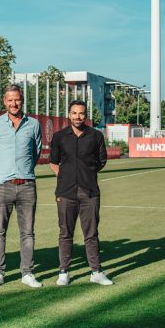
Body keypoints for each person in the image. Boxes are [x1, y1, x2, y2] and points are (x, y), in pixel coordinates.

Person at [49, 100, 113, 286]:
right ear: (69, 114)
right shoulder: (60, 137)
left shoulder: (95, 136)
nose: (78, 116)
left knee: (91, 234)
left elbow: (102, 161)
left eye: (81, 113)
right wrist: (64, 176)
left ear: (86, 115)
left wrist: (87, 174)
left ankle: (96, 271)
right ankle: (64, 272)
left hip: (89, 191)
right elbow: (54, 161)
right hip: (66, 191)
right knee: (65, 233)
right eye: (74, 113)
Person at [0, 84, 43, 289]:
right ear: (4, 101)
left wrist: (23, 171)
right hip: (2, 186)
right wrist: (0, 173)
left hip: (27, 186)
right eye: (10, 100)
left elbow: (35, 153)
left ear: (22, 100)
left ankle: (27, 273)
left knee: (27, 232)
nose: (13, 103)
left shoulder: (34, 124)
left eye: (17, 99)